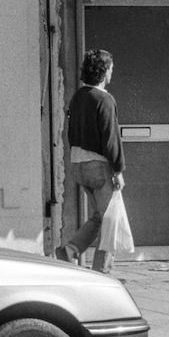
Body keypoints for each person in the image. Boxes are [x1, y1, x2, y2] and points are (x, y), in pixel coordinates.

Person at [56, 48, 126, 273]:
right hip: (99, 167)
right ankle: (101, 273)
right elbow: (111, 139)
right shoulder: (104, 99)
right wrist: (118, 170)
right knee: (111, 221)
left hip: (78, 165)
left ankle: (71, 251)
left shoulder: (78, 97)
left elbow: (69, 133)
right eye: (111, 69)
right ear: (104, 72)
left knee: (99, 216)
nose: (112, 74)